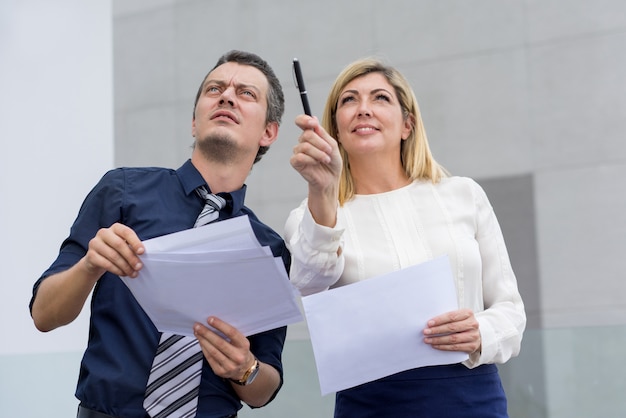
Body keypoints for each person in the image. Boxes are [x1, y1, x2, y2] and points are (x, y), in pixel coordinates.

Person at [30, 50, 290, 418]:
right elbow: (44, 315)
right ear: (194, 122)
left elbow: (263, 390)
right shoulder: (121, 191)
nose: (227, 96)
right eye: (214, 88)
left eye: (246, 93)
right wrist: (90, 264)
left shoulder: (269, 248)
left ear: (269, 132)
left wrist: (244, 368)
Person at [285, 57, 526, 417]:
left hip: (471, 396)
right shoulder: (312, 214)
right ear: (334, 129)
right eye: (349, 100)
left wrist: (480, 332)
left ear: (407, 124)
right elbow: (307, 282)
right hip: (371, 403)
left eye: (380, 98)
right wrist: (322, 192)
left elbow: (511, 311)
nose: (363, 109)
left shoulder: (464, 195)